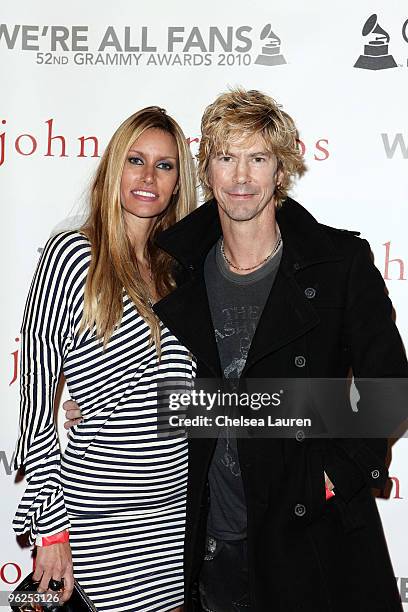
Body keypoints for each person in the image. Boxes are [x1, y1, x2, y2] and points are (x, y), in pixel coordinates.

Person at [65, 88, 408, 612]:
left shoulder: (337, 262)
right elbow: (149, 376)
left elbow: (391, 392)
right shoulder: (173, 269)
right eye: (226, 158)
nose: (242, 177)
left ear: (281, 169)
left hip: (310, 535)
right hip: (204, 541)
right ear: (207, 171)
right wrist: (93, 408)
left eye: (258, 158)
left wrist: (335, 473)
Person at [13, 106, 197, 612]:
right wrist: (51, 531)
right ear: (114, 167)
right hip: (98, 523)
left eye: (165, 165)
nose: (147, 177)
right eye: (135, 160)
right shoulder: (73, 256)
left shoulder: (186, 273)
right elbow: (35, 399)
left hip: (174, 522)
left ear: (180, 180)